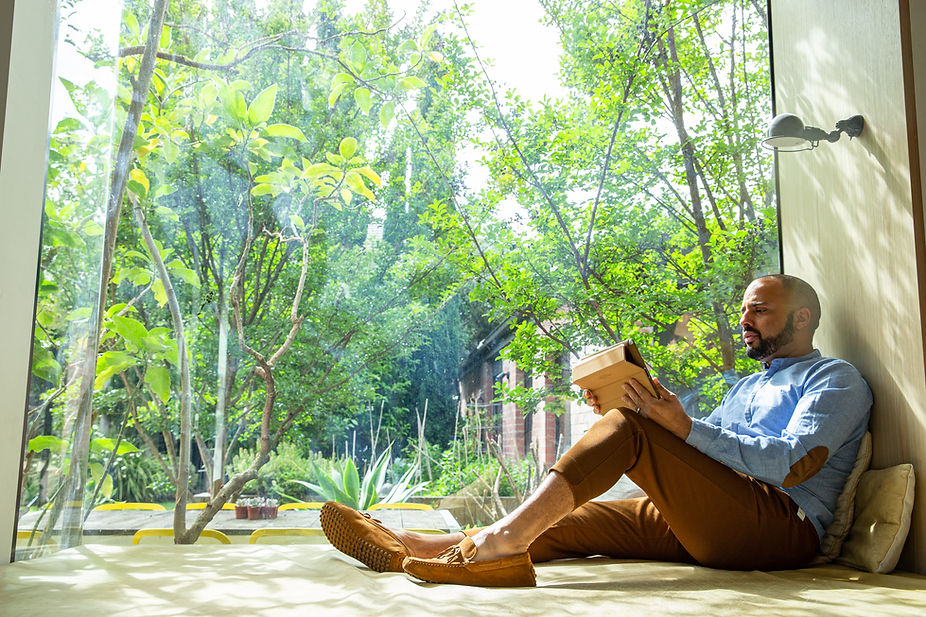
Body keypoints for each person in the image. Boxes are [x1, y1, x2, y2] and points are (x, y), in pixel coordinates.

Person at [320, 274, 872, 587]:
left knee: (630, 428)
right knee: (562, 520)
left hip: (781, 526)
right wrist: (649, 410)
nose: (745, 322)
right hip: (716, 515)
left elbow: (792, 463)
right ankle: (412, 548)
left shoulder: (836, 379)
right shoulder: (748, 387)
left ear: (802, 319)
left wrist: (665, 427)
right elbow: (704, 455)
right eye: (744, 311)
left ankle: (495, 546)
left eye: (760, 312)